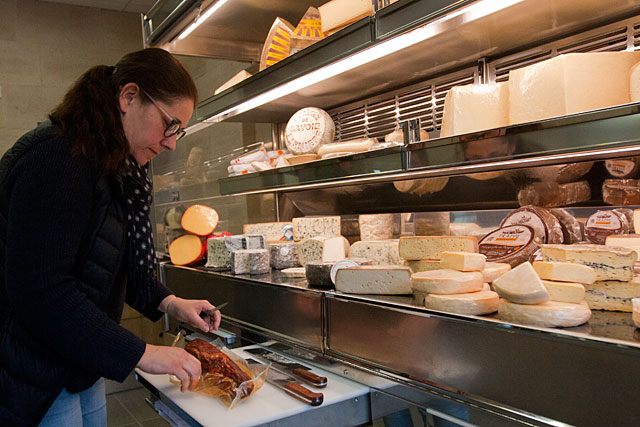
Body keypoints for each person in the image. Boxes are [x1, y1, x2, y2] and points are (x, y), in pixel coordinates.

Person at [0, 48, 221, 426]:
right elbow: (42, 290)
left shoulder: (113, 165)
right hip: (32, 369)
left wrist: (169, 302)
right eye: (170, 125)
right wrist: (141, 352)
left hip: (77, 357)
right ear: (129, 96)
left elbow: (112, 263)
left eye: (178, 132)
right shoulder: (58, 157)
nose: (171, 143)